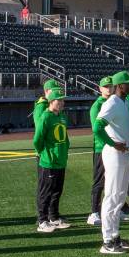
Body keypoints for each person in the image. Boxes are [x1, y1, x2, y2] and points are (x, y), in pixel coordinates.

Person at [96, 71, 129, 254]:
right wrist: (112, 143)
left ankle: (115, 236)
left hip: (124, 152)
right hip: (114, 153)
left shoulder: (125, 101)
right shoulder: (111, 102)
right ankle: (107, 241)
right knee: (112, 196)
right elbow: (97, 127)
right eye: (128, 83)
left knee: (119, 196)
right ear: (120, 86)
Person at [34, 89, 71, 233]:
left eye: (63, 100)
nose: (62, 103)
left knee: (57, 191)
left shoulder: (62, 116)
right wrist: (45, 153)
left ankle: (53, 217)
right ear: (51, 101)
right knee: (46, 191)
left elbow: (65, 137)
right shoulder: (46, 117)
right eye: (59, 100)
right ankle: (42, 220)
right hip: (49, 161)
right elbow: (38, 140)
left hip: (61, 160)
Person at [87, 76, 113, 226]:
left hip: (112, 147)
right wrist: (110, 144)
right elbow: (96, 129)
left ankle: (110, 210)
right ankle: (94, 212)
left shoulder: (114, 102)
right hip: (101, 148)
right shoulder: (97, 106)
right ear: (100, 89)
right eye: (106, 86)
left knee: (112, 181)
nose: (109, 89)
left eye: (111, 86)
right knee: (99, 181)